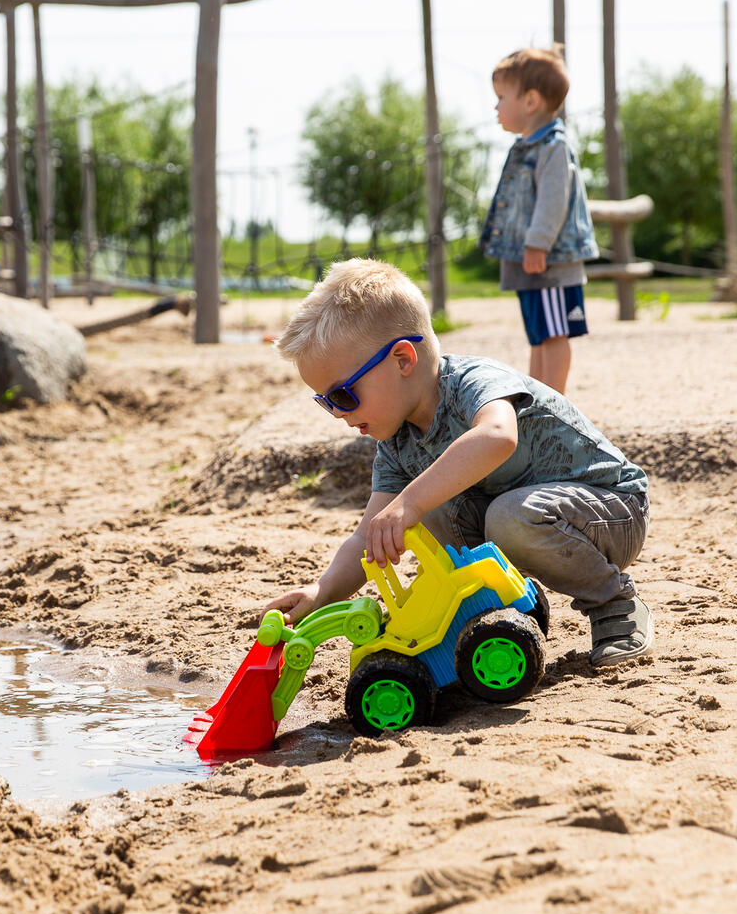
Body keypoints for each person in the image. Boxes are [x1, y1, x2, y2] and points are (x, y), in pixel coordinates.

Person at [262, 258, 652, 670]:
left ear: (402, 360)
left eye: (342, 395)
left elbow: (498, 437)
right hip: (539, 521)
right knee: (427, 513)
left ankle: (614, 603)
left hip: (612, 511)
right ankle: (502, 605)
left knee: (479, 512)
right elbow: (366, 539)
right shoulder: (398, 442)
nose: (337, 413)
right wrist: (320, 592)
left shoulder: (472, 381)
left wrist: (409, 501)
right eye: (325, 402)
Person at [479, 45, 598, 396]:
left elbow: (553, 199)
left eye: (501, 97)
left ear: (530, 102)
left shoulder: (553, 148)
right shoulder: (525, 147)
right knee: (539, 333)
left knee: (554, 331)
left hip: (549, 261)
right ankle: (538, 394)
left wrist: (537, 241)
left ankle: (554, 399)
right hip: (531, 263)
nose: (496, 107)